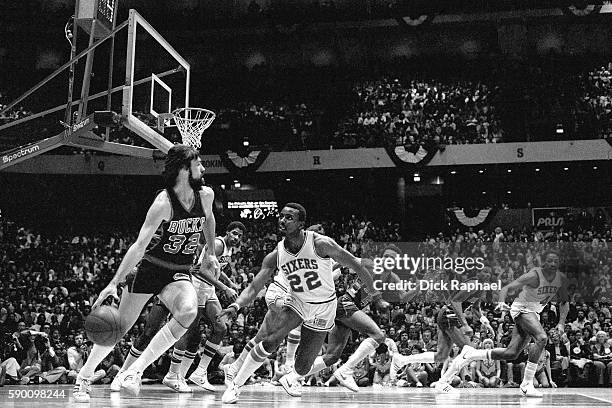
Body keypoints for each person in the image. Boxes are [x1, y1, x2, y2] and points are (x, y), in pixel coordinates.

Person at [73, 144, 219, 402]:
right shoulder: (163, 202)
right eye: (198, 164)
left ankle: (134, 372)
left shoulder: (205, 195)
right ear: (185, 170)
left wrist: (210, 252)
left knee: (188, 310)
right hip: (152, 268)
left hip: (179, 272)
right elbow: (139, 246)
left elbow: (209, 220)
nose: (203, 168)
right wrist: (114, 282)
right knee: (118, 329)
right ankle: (83, 377)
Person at [218, 203, 377, 404]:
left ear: (302, 224)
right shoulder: (276, 254)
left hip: (324, 307)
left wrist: (373, 293)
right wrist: (236, 306)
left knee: (303, 366)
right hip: (297, 301)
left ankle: (291, 376)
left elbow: (355, 263)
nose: (282, 221)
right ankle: (236, 385)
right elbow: (253, 288)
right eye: (282, 216)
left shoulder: (321, 244)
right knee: (271, 339)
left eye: (289, 218)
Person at [442, 250, 569, 397]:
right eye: (550, 261)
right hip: (521, 308)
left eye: (556, 261)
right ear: (544, 263)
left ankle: (472, 354)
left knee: (512, 353)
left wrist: (561, 323)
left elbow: (564, 302)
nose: (553, 264)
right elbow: (507, 288)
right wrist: (501, 302)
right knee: (542, 338)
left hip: (535, 312)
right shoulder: (534, 276)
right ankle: (527, 384)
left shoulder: (561, 279)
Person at [163, 221, 245, 392]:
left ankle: (199, 373)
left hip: (209, 289)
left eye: (240, 236)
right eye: (235, 233)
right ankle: (172, 375)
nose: (237, 238)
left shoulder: (228, 249)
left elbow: (216, 268)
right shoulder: (217, 244)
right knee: (189, 332)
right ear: (227, 232)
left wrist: (229, 281)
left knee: (221, 327)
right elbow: (200, 270)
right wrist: (225, 288)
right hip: (198, 287)